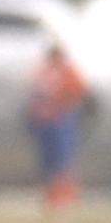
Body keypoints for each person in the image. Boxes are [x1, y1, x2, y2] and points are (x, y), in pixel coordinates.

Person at [26, 44, 92, 210]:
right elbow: (34, 96)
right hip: (45, 123)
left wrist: (65, 105)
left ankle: (66, 198)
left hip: (62, 121)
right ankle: (51, 198)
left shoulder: (68, 72)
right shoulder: (43, 73)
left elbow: (81, 92)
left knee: (63, 160)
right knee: (48, 162)